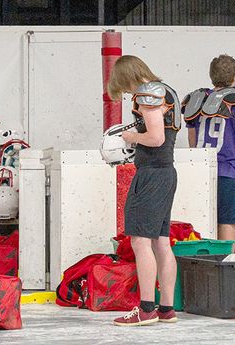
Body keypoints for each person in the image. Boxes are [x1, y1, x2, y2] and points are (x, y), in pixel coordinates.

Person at [105, 55, 179, 326]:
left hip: (151, 175)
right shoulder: (166, 90)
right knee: (161, 242)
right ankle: (166, 308)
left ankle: (146, 309)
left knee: (139, 241)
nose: (127, 93)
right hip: (166, 172)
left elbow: (156, 137)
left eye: (125, 87)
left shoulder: (147, 94)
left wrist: (131, 137)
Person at [184, 55, 235, 250]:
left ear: (211, 75)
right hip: (230, 169)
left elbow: (192, 135)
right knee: (227, 221)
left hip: (202, 171)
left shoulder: (197, 99)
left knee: (203, 219)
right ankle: (225, 265)